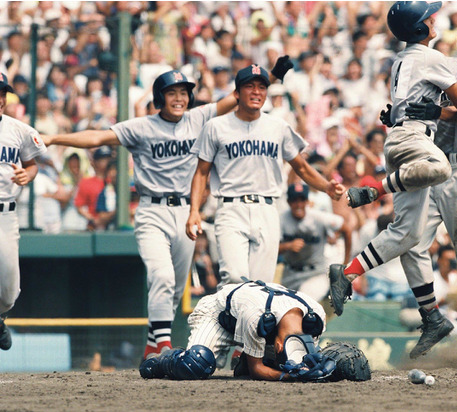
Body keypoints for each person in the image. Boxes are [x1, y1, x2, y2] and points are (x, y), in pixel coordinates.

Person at [42, 57, 295, 360]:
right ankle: (162, 344)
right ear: (159, 98)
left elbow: (240, 94)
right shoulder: (142, 127)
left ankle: (153, 344)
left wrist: (274, 75)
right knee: (161, 276)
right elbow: (97, 136)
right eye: (172, 93)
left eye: (183, 92)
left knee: (174, 288)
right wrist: (55, 137)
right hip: (152, 210)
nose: (179, 98)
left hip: (186, 211)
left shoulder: (199, 117)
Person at [331, 8, 457, 369]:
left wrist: (428, 110)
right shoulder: (438, 60)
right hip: (426, 164)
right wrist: (401, 114)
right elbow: (421, 103)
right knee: (409, 240)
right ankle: (431, 316)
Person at [186, 64, 345, 287]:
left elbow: (300, 166)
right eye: (249, 86)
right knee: (234, 277)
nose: (256, 92)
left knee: (261, 286)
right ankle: (226, 320)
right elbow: (201, 172)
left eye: (262, 87)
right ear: (237, 93)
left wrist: (326, 187)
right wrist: (194, 211)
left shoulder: (278, 126)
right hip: (231, 208)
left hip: (268, 208)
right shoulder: (216, 126)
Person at [140, 279, 335, 381]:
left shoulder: (316, 315)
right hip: (219, 316)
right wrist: (285, 376)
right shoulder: (256, 315)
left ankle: (248, 360)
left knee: (282, 362)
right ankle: (162, 360)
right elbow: (257, 369)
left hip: (257, 321)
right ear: (278, 344)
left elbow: (303, 357)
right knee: (195, 364)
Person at [0, 73, 47, 350]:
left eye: (2, 93)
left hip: (6, 214)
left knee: (9, 292)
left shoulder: (18, 129)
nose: (0, 99)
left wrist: (27, 175)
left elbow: (31, 164)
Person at [279, 183, 351, 302]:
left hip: (315, 274)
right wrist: (287, 246)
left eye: (302, 200)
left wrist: (345, 263)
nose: (298, 204)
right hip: (289, 274)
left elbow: (346, 230)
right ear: (288, 202)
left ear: (307, 201)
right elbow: (269, 248)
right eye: (294, 200)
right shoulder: (281, 219)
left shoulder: (318, 217)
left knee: (303, 302)